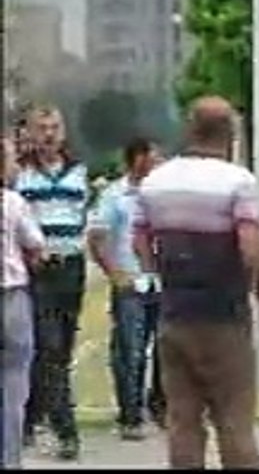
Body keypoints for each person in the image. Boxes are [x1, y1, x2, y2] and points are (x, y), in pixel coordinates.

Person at [132, 96, 259, 468]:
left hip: (175, 314)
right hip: (224, 314)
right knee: (234, 421)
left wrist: (157, 272)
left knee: (183, 421)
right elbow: (250, 246)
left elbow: (140, 238)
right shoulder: (237, 181)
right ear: (231, 134)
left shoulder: (155, 182)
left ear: (190, 128)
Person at [14, 105, 91, 460]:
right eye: (41, 128)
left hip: (71, 267)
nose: (49, 134)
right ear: (29, 133)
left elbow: (83, 219)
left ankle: (29, 418)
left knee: (59, 350)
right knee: (48, 347)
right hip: (37, 268)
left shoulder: (78, 172)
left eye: (55, 127)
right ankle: (66, 429)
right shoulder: (20, 176)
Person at [87, 136, 165, 441]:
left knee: (164, 350)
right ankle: (129, 413)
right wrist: (114, 273)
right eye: (152, 158)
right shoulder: (115, 195)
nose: (157, 164)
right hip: (131, 281)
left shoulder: (161, 195)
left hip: (161, 281)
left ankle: (159, 405)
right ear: (137, 159)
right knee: (130, 351)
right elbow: (97, 237)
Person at [3, 134, 46, 469]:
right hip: (11, 294)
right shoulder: (13, 202)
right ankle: (10, 458)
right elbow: (35, 244)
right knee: (14, 384)